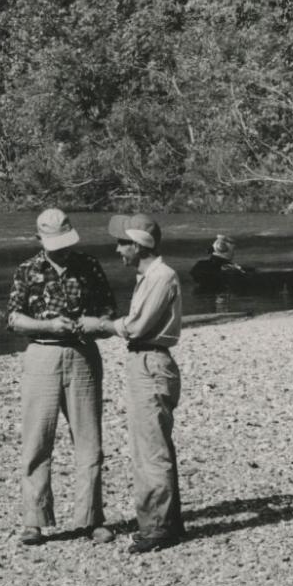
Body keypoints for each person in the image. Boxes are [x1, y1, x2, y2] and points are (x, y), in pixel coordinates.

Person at [5, 208, 119, 546]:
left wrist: (90, 323)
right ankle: (33, 519)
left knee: (89, 442)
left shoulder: (89, 266)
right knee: (37, 439)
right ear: (39, 239)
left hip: (83, 354)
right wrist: (49, 326)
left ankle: (91, 518)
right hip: (41, 354)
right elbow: (13, 319)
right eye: (54, 243)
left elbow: (109, 314)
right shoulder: (26, 270)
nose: (61, 249)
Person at [91, 213, 185, 554]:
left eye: (121, 243)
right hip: (147, 361)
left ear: (137, 245)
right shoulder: (151, 276)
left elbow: (138, 326)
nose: (118, 250)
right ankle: (167, 523)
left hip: (150, 362)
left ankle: (158, 528)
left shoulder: (161, 276)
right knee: (152, 446)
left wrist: (103, 325)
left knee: (151, 451)